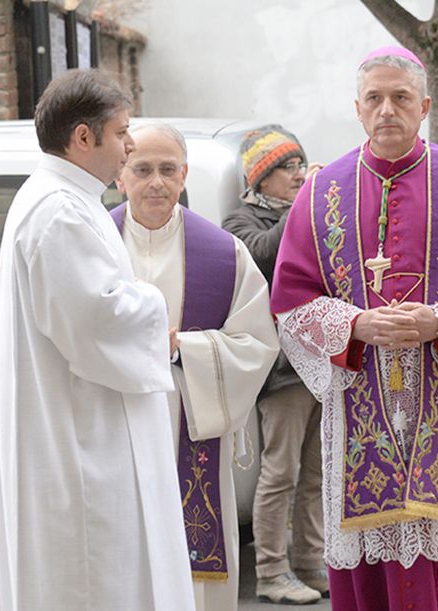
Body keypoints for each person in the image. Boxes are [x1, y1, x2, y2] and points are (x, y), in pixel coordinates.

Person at [270, 46, 438, 610]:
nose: (387, 110)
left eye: (400, 98)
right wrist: (355, 324)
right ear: (357, 107)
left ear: (424, 106)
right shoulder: (321, 194)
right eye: (375, 98)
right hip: (362, 403)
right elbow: (291, 302)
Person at [0, 70, 195, 610]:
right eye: (122, 133)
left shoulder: (68, 199)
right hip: (81, 439)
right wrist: (153, 305)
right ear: (83, 138)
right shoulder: (59, 210)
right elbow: (94, 320)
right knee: (97, 578)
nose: (129, 145)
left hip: (84, 424)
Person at [112, 123, 280, 610]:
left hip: (188, 421)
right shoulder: (95, 243)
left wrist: (183, 347)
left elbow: (256, 344)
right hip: (111, 427)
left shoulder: (224, 254)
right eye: (142, 169)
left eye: (168, 170)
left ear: (185, 175)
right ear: (120, 176)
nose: (156, 182)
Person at [222, 126, 327, 604]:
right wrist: (308, 204)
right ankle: (270, 572)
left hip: (320, 362)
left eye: (301, 165)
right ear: (261, 177)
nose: (299, 175)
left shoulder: (307, 213)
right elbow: (264, 256)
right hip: (281, 370)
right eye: (288, 167)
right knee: (279, 472)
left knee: (315, 474)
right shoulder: (239, 222)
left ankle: (311, 563)